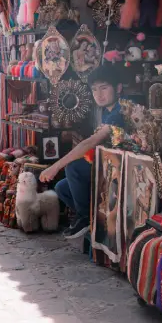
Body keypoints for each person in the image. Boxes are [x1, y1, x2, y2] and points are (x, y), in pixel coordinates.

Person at [39, 66, 125, 239]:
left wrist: (55, 166)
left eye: (104, 88)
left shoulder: (120, 111)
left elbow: (91, 141)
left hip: (123, 166)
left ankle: (85, 218)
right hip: (107, 162)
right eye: (94, 89)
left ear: (118, 88)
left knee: (74, 168)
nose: (98, 94)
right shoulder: (107, 111)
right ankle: (93, 220)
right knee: (62, 188)